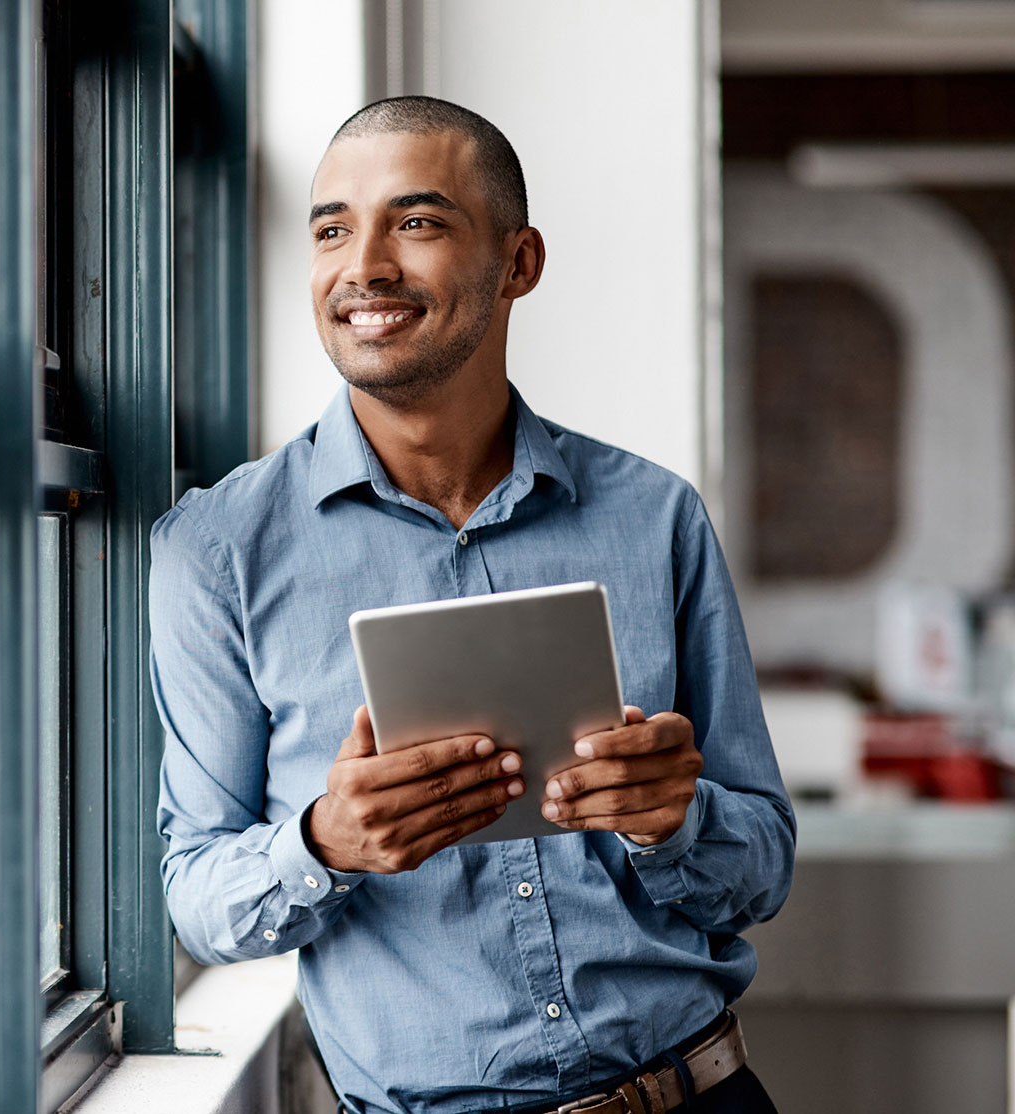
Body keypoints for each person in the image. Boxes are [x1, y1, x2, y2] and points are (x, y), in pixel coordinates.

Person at [150, 95, 794, 1114]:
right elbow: (195, 899)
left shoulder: (655, 517)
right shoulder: (217, 551)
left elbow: (760, 867)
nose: (361, 265)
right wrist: (322, 843)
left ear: (518, 263)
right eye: (330, 228)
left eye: (416, 222)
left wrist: (675, 819)